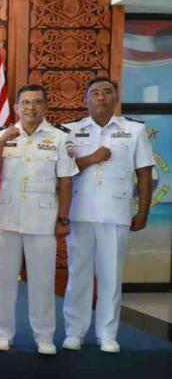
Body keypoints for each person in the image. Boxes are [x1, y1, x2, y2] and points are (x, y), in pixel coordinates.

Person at [0, 84, 78, 355]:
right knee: (4, 281)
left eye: (36, 102)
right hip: (7, 217)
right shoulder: (2, 134)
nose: (30, 107)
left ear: (45, 106)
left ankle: (44, 336)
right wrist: (2, 140)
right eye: (25, 102)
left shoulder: (60, 137)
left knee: (42, 281)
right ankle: (3, 334)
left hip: (43, 218)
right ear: (16, 107)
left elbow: (66, 180)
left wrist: (63, 218)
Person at [63, 77, 154, 353]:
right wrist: (92, 158)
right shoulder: (71, 130)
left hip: (116, 213)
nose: (101, 97)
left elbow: (144, 173)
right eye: (95, 93)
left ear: (116, 98)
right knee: (78, 275)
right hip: (80, 213)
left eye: (107, 92)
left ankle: (107, 334)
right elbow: (63, 171)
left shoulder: (134, 130)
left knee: (111, 277)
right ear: (86, 99)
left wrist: (143, 211)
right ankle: (74, 332)